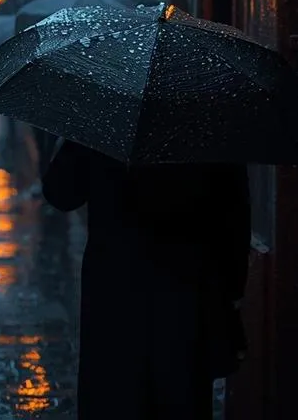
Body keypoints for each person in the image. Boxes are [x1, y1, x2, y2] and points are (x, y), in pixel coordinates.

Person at [42, 139, 251, 419]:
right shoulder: (210, 129)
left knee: (114, 396)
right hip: (186, 292)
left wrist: (70, 140)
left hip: (115, 291)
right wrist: (231, 293)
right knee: (181, 396)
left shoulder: (106, 122)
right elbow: (235, 219)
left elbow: (60, 194)